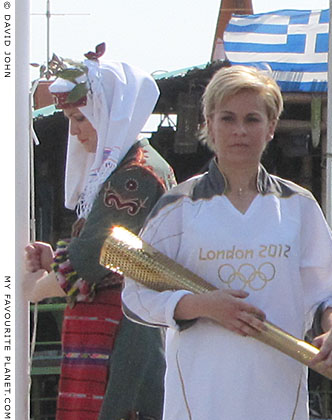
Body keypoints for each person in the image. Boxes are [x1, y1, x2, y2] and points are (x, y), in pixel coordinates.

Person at [121, 65, 332, 420]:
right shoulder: (179, 206)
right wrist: (201, 306)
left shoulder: (298, 205)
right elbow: (136, 295)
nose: (240, 130)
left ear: (271, 126)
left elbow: (326, 295)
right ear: (209, 124)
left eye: (253, 119)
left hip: (278, 388)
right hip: (200, 393)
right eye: (227, 118)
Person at [24, 45, 175, 420]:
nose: (75, 133)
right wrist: (55, 259)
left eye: (81, 119)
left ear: (108, 114)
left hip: (125, 325)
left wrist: (26, 292)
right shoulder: (127, 167)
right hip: (112, 320)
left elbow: (92, 259)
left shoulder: (136, 175)